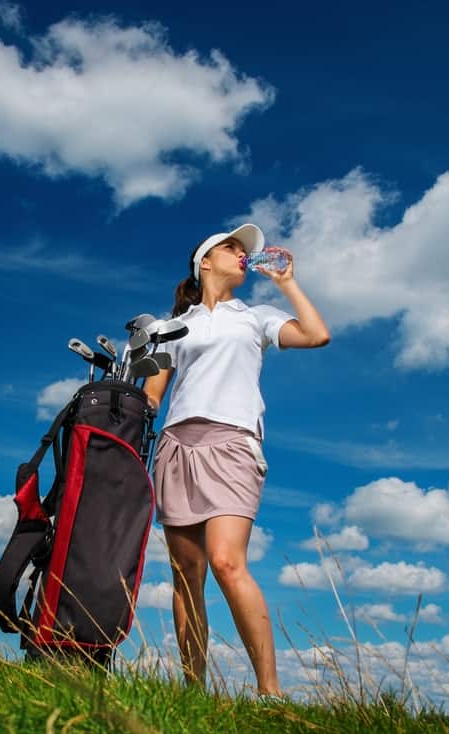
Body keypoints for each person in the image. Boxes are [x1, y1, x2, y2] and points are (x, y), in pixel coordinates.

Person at [143, 223, 330, 696]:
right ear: (205, 262)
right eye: (231, 247)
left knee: (227, 562)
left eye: (244, 250)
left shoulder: (256, 316)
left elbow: (316, 335)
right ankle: (193, 691)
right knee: (187, 577)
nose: (242, 254)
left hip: (232, 444)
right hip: (175, 447)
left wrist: (286, 283)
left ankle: (270, 692)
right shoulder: (169, 327)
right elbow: (152, 397)